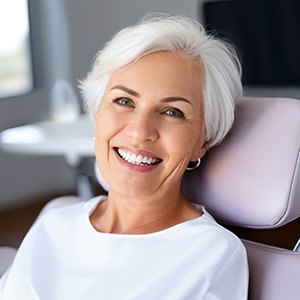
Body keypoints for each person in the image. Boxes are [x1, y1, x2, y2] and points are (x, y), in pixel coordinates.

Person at [0, 14, 248, 299]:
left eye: (172, 112)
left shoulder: (213, 254)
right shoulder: (53, 224)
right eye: (124, 101)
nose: (140, 132)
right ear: (97, 115)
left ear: (204, 142)